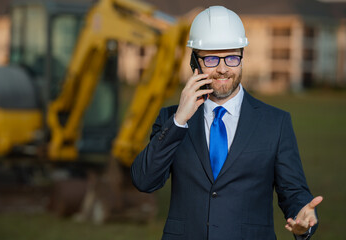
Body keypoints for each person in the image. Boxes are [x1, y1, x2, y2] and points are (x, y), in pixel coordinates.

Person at [131, 6, 323, 240]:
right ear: (195, 62)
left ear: (242, 57)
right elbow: (144, 180)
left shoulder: (276, 122)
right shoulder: (171, 119)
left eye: (232, 57)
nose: (223, 69)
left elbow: (293, 192)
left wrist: (303, 217)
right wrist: (180, 119)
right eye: (211, 58)